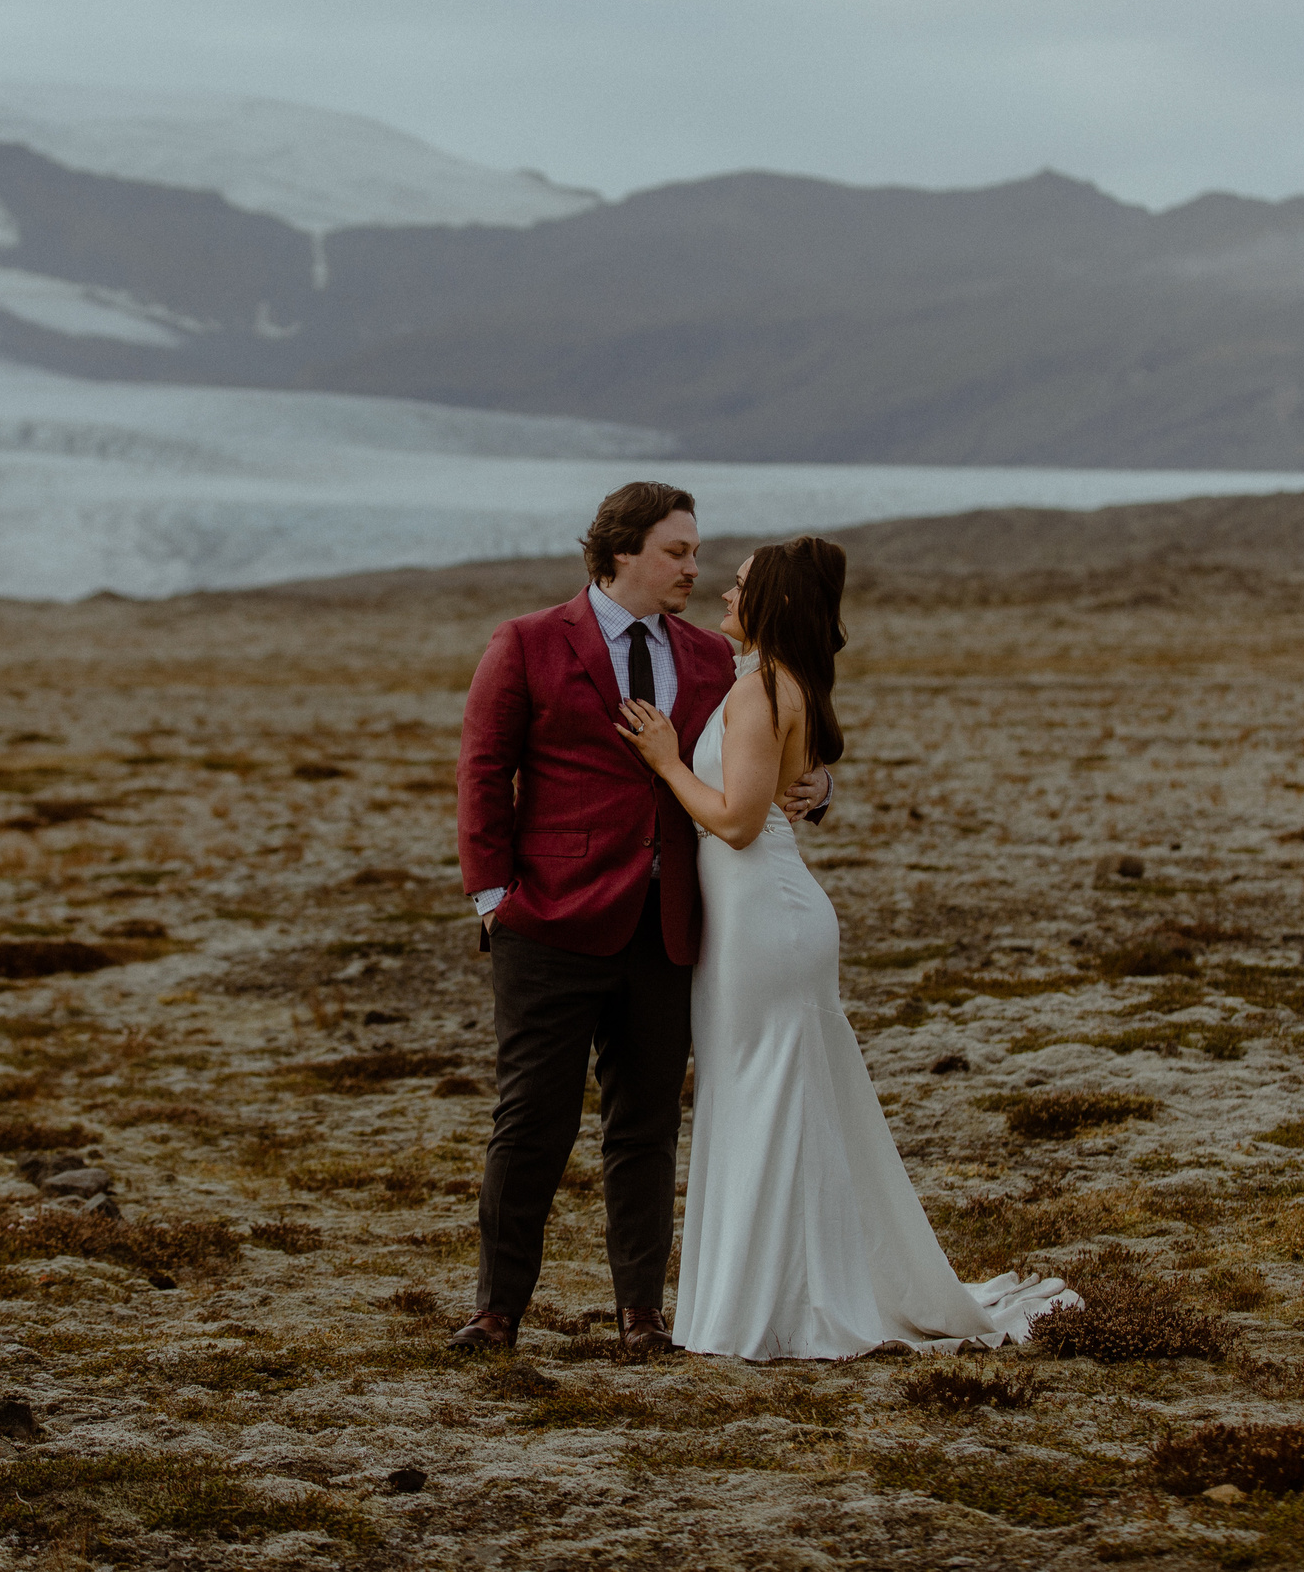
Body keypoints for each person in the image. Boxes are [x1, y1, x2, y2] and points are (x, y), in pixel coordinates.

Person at [616, 535, 1081, 1359]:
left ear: (773, 603)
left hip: (766, 918)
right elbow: (784, 780)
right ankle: (768, 1294)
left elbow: (734, 820)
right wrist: (814, 781)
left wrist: (663, 762)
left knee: (769, 1098)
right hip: (757, 918)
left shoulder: (763, 690)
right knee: (761, 1094)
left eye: (742, 584)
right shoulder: (767, 681)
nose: (725, 590)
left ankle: (774, 1305)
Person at [452, 483, 831, 1354]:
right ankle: (497, 1310)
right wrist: (492, 900)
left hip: (668, 929)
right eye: (677, 552)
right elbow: (483, 771)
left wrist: (817, 787)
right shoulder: (528, 642)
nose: (695, 568)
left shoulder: (711, 657)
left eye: (699, 553)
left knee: (646, 1124)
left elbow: (766, 746)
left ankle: (642, 1316)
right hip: (546, 925)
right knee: (531, 1121)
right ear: (619, 552)